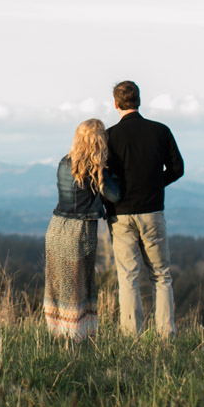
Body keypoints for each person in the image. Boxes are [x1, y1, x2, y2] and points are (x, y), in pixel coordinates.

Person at [104, 80, 184, 337]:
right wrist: (155, 184)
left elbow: (102, 177)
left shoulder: (109, 136)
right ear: (138, 100)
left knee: (128, 277)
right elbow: (177, 168)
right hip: (152, 210)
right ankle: (166, 334)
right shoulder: (160, 131)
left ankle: (131, 335)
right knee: (161, 276)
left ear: (116, 104)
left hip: (121, 214)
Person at [42, 118, 123, 340]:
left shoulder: (63, 162)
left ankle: (56, 335)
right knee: (80, 286)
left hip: (56, 227)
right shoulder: (95, 168)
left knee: (57, 285)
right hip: (80, 231)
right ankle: (78, 337)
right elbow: (115, 195)